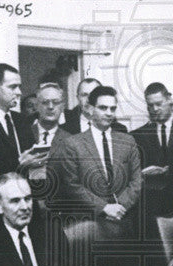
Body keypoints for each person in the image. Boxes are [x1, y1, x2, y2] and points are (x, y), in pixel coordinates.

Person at [54, 84, 143, 238]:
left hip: (125, 220)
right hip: (89, 223)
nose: (109, 113)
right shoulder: (73, 144)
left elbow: (136, 180)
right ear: (89, 109)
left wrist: (120, 207)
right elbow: (72, 185)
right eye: (103, 108)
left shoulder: (127, 141)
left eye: (112, 109)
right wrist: (104, 208)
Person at [131, 82, 173, 220]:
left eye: (159, 104)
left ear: (169, 100)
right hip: (153, 208)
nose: (155, 109)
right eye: (150, 105)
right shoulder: (138, 135)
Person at [62, 76, 128, 134]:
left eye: (94, 94)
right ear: (78, 98)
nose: (88, 100)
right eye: (84, 95)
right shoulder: (65, 129)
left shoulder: (119, 129)